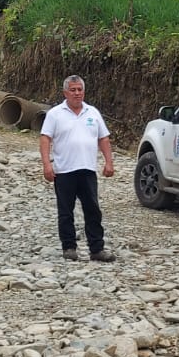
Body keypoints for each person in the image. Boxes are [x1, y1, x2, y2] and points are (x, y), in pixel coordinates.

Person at [40, 75, 116, 262]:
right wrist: (47, 164)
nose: (77, 93)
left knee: (93, 210)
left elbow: (103, 138)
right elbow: (45, 138)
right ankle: (69, 247)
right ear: (65, 92)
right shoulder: (55, 114)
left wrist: (109, 162)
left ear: (84, 91)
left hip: (87, 169)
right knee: (66, 211)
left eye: (79, 89)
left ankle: (97, 249)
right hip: (64, 171)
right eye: (73, 90)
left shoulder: (93, 112)